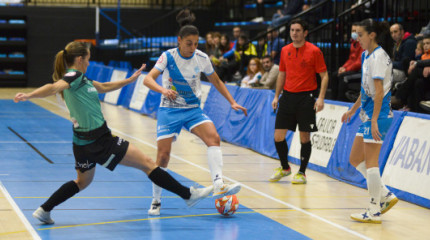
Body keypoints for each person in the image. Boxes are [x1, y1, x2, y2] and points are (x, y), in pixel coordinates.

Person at [13, 41, 214, 224]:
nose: (89, 63)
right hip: (100, 140)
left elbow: (104, 86)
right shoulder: (73, 76)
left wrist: (130, 80)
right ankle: (188, 195)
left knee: (82, 182)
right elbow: (54, 86)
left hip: (82, 143)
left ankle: (44, 209)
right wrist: (29, 95)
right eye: (89, 59)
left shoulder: (82, 80)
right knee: (148, 164)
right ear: (81, 59)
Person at [143, 9, 247, 216]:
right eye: (189, 43)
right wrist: (164, 90)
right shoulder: (167, 57)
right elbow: (148, 79)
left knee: (214, 138)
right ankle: (156, 200)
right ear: (179, 40)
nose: (193, 47)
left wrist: (232, 102)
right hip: (169, 110)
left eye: (196, 43)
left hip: (192, 110)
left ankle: (218, 184)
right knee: (162, 158)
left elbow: (215, 80)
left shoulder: (201, 58)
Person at [342, 19, 398, 224]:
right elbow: (366, 90)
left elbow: (380, 92)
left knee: (372, 163)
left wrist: (374, 120)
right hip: (367, 115)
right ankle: (384, 194)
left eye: (360, 34)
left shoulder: (379, 57)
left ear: (371, 35)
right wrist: (352, 110)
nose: (357, 39)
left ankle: (374, 209)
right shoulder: (367, 55)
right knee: (355, 159)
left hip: (379, 116)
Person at [269, 19, 328, 184]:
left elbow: (324, 76)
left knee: (304, 138)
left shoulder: (314, 51)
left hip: (306, 98)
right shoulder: (284, 50)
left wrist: (321, 97)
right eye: (292, 30)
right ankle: (285, 168)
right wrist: (276, 96)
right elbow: (282, 74)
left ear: (305, 32)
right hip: (287, 97)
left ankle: (301, 172)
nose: (294, 33)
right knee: (278, 136)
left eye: (297, 30)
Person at [330, 22, 363, 101]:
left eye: (355, 31)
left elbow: (359, 63)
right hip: (353, 69)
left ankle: (340, 102)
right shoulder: (353, 42)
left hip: (360, 71)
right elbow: (351, 59)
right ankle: (333, 101)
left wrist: (346, 69)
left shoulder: (363, 44)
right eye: (352, 31)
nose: (353, 33)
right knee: (335, 75)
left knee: (343, 77)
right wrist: (343, 67)